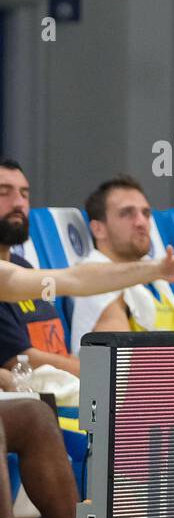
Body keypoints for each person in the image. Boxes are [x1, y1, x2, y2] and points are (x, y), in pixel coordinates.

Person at [68, 176, 174, 353]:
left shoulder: (155, 277)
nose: (141, 222)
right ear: (98, 229)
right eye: (127, 213)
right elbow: (122, 365)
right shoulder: (97, 282)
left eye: (146, 213)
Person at [0, 160, 78, 377]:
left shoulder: (24, 266)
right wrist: (95, 375)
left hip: (66, 384)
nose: (19, 203)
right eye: (3, 193)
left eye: (25, 194)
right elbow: (20, 360)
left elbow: (58, 346)